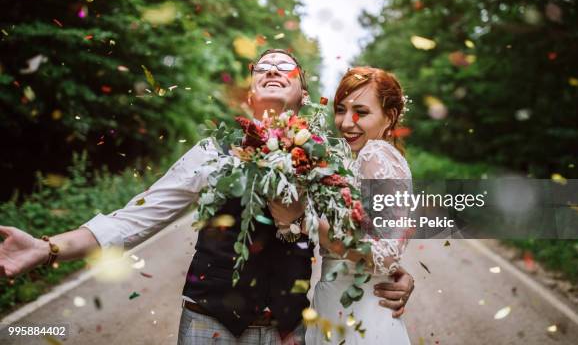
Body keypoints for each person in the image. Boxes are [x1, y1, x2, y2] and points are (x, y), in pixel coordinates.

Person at [0, 50, 414, 345]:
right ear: (250, 93)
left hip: (287, 330)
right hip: (208, 325)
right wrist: (48, 247)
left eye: (284, 66)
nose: (271, 68)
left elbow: (365, 235)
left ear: (304, 95)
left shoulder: (332, 157)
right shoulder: (212, 151)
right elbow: (134, 218)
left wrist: (393, 274)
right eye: (262, 67)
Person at [306, 67, 413, 344]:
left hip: (357, 313)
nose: (346, 122)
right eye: (341, 109)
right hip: (346, 306)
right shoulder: (376, 157)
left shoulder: (374, 153)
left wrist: (309, 222)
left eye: (361, 113)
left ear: (389, 116)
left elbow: (386, 254)